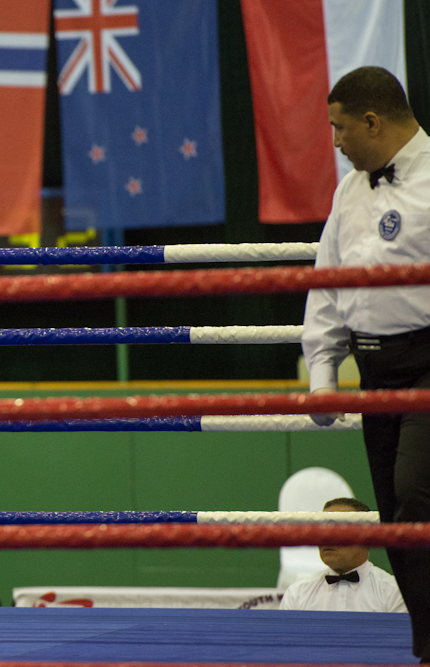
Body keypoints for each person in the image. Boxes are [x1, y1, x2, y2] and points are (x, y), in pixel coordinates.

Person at [301, 66, 430, 660]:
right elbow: (329, 286)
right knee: (392, 521)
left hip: (428, 363)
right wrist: (323, 374)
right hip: (373, 371)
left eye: (340, 127)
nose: (335, 140)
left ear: (373, 122)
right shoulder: (349, 191)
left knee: (413, 499)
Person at [280, 498, 406, 612]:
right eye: (321, 530)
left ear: (367, 537)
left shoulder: (395, 592)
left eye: (338, 529)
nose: (326, 537)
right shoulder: (297, 594)